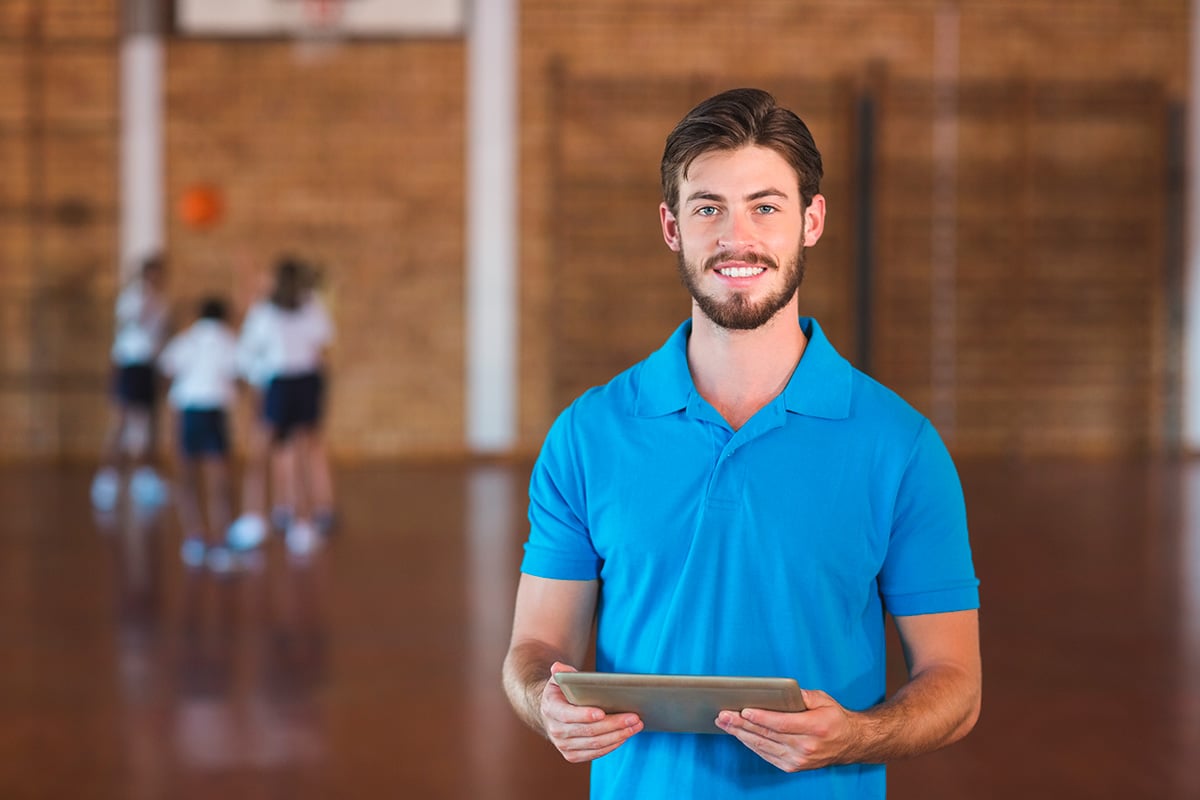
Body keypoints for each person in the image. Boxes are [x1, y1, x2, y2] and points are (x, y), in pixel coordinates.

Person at [502, 88, 981, 800]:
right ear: (672, 226)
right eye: (708, 208)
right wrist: (545, 702)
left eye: (765, 206)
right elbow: (533, 651)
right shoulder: (587, 434)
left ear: (810, 220)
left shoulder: (901, 447)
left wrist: (857, 734)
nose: (737, 237)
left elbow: (956, 685)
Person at [228, 256, 335, 556]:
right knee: (262, 449)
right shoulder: (264, 312)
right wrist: (255, 380)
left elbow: (323, 344)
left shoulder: (310, 307)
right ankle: (254, 517)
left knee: (301, 449)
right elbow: (247, 352)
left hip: (303, 381)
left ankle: (302, 520)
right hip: (277, 384)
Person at [158, 296, 240, 572]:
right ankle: (220, 538)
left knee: (187, 475)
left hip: (188, 410)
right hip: (214, 411)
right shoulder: (228, 339)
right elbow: (240, 374)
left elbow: (166, 370)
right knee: (219, 479)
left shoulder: (187, 339)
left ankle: (194, 535)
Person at [91, 253, 170, 511]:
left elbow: (159, 337)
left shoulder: (161, 302)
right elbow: (126, 329)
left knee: (147, 421)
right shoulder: (133, 299)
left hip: (148, 365)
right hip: (130, 363)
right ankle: (107, 477)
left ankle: (144, 476)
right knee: (121, 420)